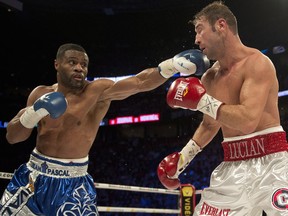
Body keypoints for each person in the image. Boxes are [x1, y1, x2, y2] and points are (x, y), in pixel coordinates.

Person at [0, 43, 209, 215]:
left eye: (84, 64)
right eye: (72, 62)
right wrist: (33, 113)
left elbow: (139, 82)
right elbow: (13, 136)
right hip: (32, 178)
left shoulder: (96, 91)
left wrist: (170, 66)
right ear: (57, 64)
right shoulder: (40, 94)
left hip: (73, 185)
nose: (79, 68)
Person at [157, 1, 288, 216]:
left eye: (200, 30)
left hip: (273, 163)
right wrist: (182, 160)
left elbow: (248, 120)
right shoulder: (209, 77)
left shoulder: (258, 63)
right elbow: (210, 124)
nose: (196, 40)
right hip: (232, 166)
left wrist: (200, 101)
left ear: (221, 25)